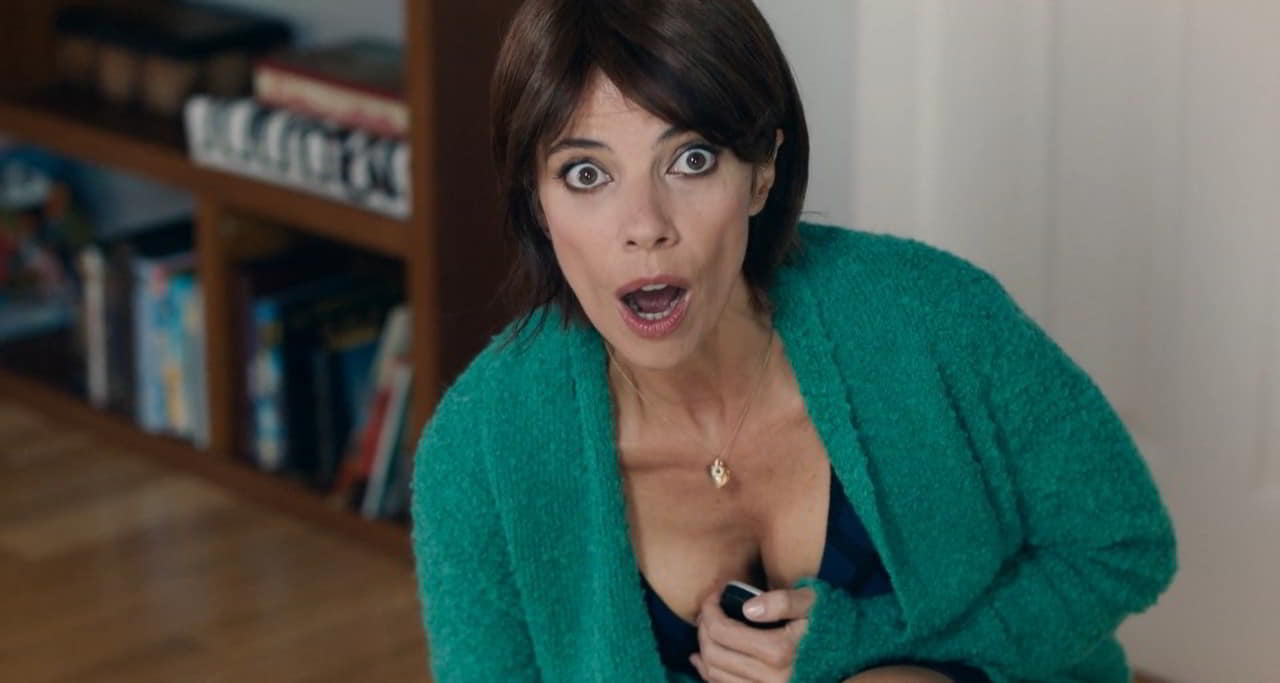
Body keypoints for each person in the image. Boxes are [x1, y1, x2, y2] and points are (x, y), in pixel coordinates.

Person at [409, 0, 1177, 681]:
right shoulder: (478, 453)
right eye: (585, 174)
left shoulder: (935, 318)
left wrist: (911, 663)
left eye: (691, 159)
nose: (644, 226)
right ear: (536, 202)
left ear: (763, 172)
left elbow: (1122, 542)